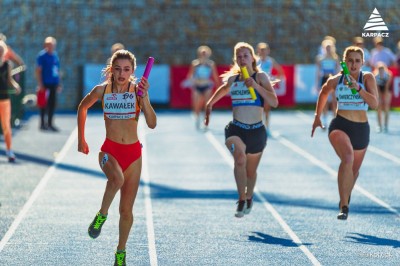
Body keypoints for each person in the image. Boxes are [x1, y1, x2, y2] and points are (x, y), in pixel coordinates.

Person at [77, 49, 156, 266]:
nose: (122, 73)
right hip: (109, 151)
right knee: (116, 179)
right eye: (118, 69)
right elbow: (82, 107)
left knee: (126, 211)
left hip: (133, 155)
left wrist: (145, 99)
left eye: (127, 69)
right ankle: (102, 215)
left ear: (133, 71)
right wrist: (81, 139)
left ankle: (120, 252)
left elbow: (152, 123)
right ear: (112, 69)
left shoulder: (137, 93)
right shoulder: (102, 90)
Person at [205, 42, 278, 218]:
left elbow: (274, 102)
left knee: (250, 172)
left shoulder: (260, 77)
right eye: (238, 56)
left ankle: (249, 196)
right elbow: (223, 89)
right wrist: (209, 104)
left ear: (252, 58)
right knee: (239, 159)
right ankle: (241, 199)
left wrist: (256, 86)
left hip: (257, 131)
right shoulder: (234, 80)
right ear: (235, 60)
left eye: (245, 55)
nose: (242, 59)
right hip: (236, 129)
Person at [311, 46, 378, 220]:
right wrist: (317, 116)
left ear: (362, 62)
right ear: (344, 62)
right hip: (340, 125)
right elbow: (324, 92)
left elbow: (375, 104)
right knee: (347, 158)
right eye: (350, 61)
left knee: (353, 171)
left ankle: (344, 196)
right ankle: (344, 206)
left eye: (357, 61)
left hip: (361, 128)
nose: (354, 64)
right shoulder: (336, 80)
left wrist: (359, 88)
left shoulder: (368, 78)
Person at [185, 45, 220, 129]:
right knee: (196, 105)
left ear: (208, 54)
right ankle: (197, 117)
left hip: (207, 86)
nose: (204, 55)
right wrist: (194, 81)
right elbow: (189, 76)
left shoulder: (211, 64)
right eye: (202, 53)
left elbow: (215, 76)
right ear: (199, 54)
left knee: (207, 104)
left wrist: (218, 85)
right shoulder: (195, 64)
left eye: (205, 53)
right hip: (197, 86)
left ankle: (206, 120)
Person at [256, 42, 285, 136]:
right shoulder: (256, 61)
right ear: (258, 51)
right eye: (261, 50)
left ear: (268, 51)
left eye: (265, 50)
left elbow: (280, 72)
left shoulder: (270, 61)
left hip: (267, 85)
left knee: (267, 107)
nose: (263, 52)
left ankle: (267, 127)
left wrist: (274, 79)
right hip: (258, 85)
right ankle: (257, 126)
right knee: (257, 106)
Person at [0, 41, 21, 162]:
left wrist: (15, 86)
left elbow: (9, 80)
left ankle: (9, 150)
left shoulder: (7, 65)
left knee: (6, 126)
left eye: (1, 51)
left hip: (4, 99)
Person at [35, 36, 62, 131]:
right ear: (45, 45)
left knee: (52, 103)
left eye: (53, 45)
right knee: (43, 103)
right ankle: (42, 124)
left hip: (53, 83)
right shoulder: (42, 56)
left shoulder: (55, 56)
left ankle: (50, 123)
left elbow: (57, 70)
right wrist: (40, 83)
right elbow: (38, 70)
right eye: (49, 45)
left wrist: (58, 83)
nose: (51, 47)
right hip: (45, 83)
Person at [315, 39, 340, 128]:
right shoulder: (320, 58)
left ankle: (335, 119)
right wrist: (317, 84)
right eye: (326, 48)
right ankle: (325, 119)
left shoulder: (335, 58)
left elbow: (338, 71)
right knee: (324, 100)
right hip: (324, 79)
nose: (328, 49)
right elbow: (318, 72)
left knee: (334, 100)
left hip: (332, 79)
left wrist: (338, 81)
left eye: (330, 47)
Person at [373, 62, 393, 133]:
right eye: (379, 70)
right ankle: (379, 125)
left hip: (387, 89)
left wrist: (385, 98)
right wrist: (380, 98)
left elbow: (387, 87)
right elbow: (377, 89)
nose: (381, 71)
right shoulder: (375, 76)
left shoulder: (388, 75)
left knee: (386, 106)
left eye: (382, 69)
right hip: (379, 90)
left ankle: (386, 125)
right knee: (379, 107)